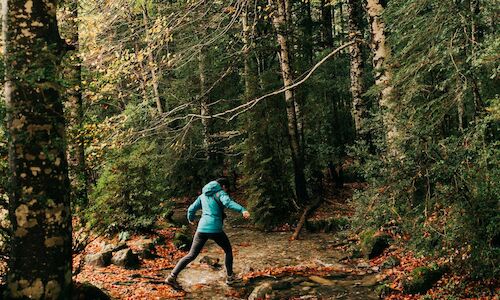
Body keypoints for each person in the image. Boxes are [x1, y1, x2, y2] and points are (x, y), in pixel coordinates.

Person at [165, 178, 250, 289]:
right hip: (215, 230)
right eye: (226, 188)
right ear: (223, 186)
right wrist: (242, 209)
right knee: (228, 251)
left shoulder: (202, 196)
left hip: (201, 229)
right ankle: (230, 278)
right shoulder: (221, 193)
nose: (226, 190)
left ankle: (172, 276)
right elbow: (228, 203)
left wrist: (190, 219)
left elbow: (191, 209)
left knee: (191, 255)